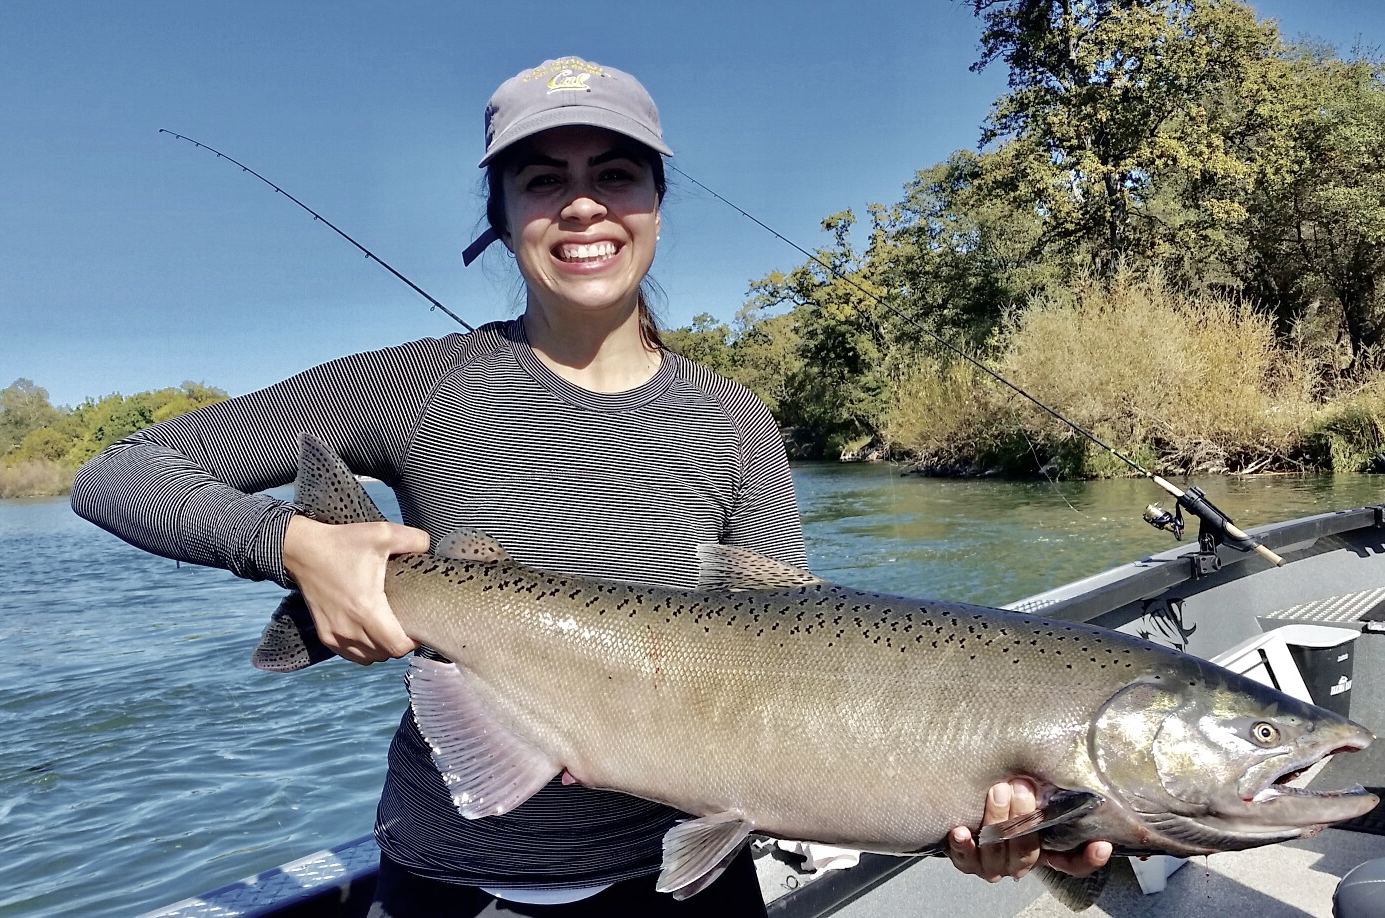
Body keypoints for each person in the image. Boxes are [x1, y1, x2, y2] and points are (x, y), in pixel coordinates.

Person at [72, 55, 1108, 917]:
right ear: (503, 213)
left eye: (615, 173)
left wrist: (975, 822)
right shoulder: (418, 382)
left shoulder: (736, 424)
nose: (582, 204)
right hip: (450, 877)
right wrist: (295, 545)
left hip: (682, 886)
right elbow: (119, 473)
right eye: (540, 179)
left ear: (657, 204)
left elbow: (798, 673)